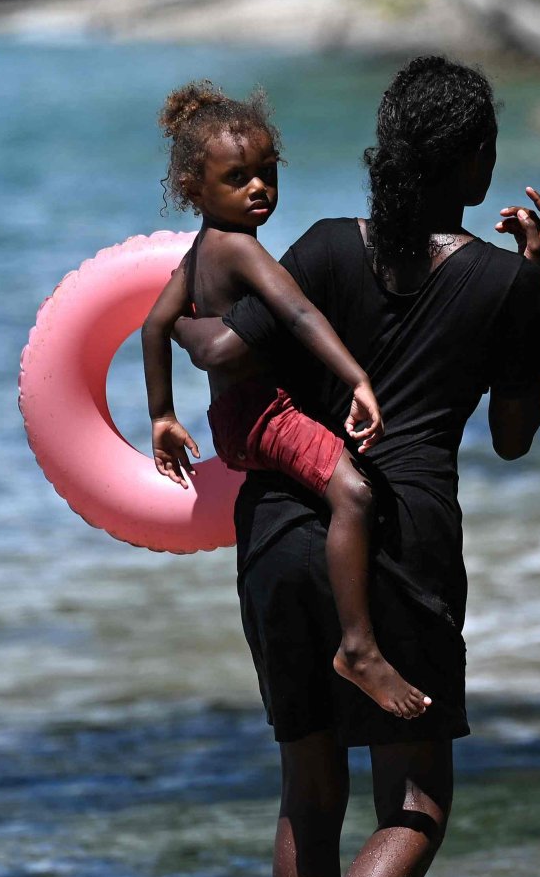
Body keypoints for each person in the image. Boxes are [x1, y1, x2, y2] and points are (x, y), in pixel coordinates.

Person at [172, 56, 540, 877]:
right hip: (406, 537)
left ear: (387, 153)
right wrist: (538, 285)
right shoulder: (504, 282)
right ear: (474, 167)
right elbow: (514, 436)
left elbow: (231, 353)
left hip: (282, 531)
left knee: (309, 788)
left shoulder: (324, 247)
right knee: (418, 794)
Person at [138, 82, 424, 720]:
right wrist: (356, 378)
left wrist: (162, 415)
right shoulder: (239, 248)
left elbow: (153, 326)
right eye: (237, 179)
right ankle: (358, 649)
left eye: (266, 174)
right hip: (268, 418)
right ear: (194, 187)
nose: (258, 189)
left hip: (231, 424)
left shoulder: (195, 254)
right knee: (354, 493)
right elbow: (297, 310)